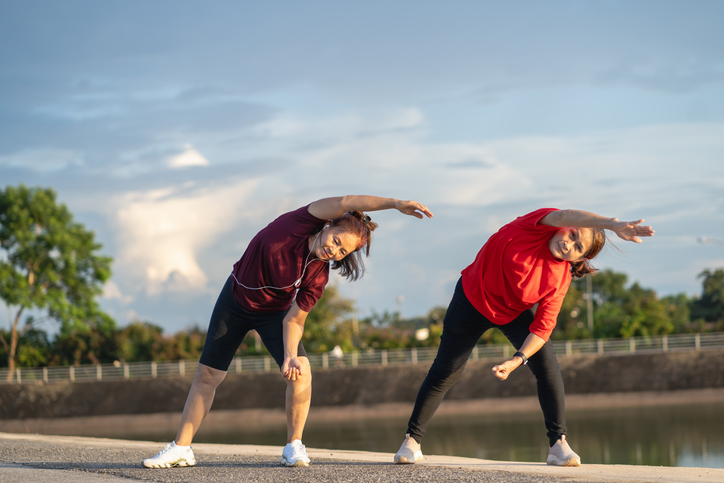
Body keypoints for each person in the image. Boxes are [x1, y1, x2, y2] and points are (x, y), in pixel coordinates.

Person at [142, 195, 433, 469]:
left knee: (302, 370)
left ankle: (293, 445)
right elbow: (347, 201)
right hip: (235, 301)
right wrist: (395, 204)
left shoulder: (319, 275)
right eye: (335, 240)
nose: (334, 249)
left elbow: (294, 320)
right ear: (328, 224)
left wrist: (290, 356)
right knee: (208, 376)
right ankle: (181, 448)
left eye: (342, 251)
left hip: (274, 314)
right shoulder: (299, 223)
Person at [393, 208, 654, 466]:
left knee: (548, 368)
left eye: (578, 248)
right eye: (573, 234)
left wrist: (517, 360)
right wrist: (613, 224)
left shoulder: (560, 278)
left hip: (512, 311)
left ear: (579, 259)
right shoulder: (534, 226)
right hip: (471, 298)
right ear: (565, 226)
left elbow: (542, 329)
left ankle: (558, 445)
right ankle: (411, 442)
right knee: (445, 371)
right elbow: (564, 215)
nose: (568, 244)